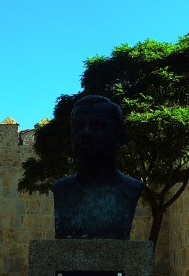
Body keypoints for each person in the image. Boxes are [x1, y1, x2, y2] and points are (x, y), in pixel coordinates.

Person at [53, 95, 144, 239]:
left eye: (98, 125)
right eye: (78, 125)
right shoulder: (61, 190)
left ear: (119, 139)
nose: (86, 133)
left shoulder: (130, 190)